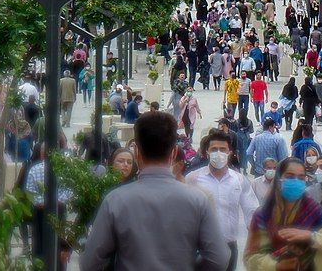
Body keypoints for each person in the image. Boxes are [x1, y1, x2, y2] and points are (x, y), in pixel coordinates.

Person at [81, 112, 231, 270]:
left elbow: (90, 262)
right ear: (174, 152)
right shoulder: (198, 200)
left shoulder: (115, 201)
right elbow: (219, 258)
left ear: (137, 152)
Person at [244, 157, 322, 270]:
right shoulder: (263, 214)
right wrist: (276, 266)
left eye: (301, 178)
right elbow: (251, 258)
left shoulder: (312, 210)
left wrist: (311, 236)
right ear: (278, 179)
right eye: (290, 176)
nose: (296, 181)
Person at [186, 131, 258, 270]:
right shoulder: (192, 179)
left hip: (229, 245)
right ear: (206, 152)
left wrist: (257, 238)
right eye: (214, 149)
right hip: (200, 248)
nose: (218, 153)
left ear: (230, 152)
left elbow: (252, 210)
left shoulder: (239, 180)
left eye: (222, 149)